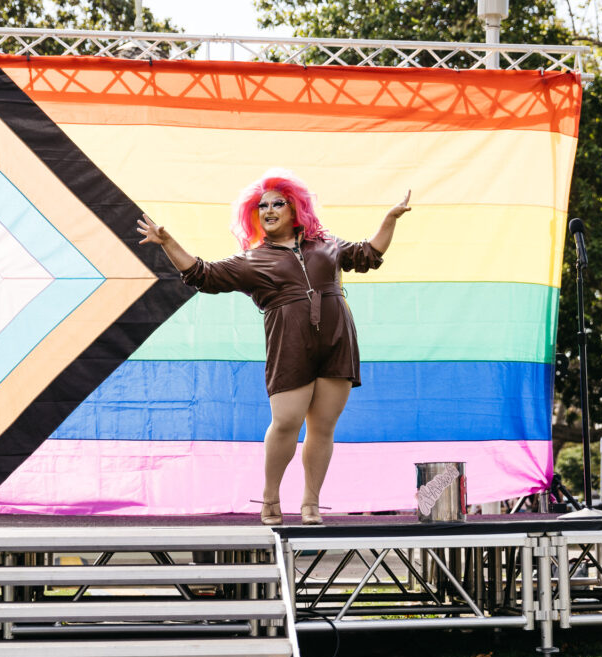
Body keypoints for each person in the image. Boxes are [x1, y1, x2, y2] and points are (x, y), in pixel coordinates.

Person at [137, 169, 411, 526]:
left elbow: (368, 255)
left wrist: (389, 219)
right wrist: (168, 242)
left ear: (295, 209)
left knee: (323, 427)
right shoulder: (252, 261)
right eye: (261, 206)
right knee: (286, 422)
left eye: (277, 203)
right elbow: (202, 275)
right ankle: (271, 497)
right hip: (290, 343)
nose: (268, 210)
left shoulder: (326, 245)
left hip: (337, 341)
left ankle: (311, 503)